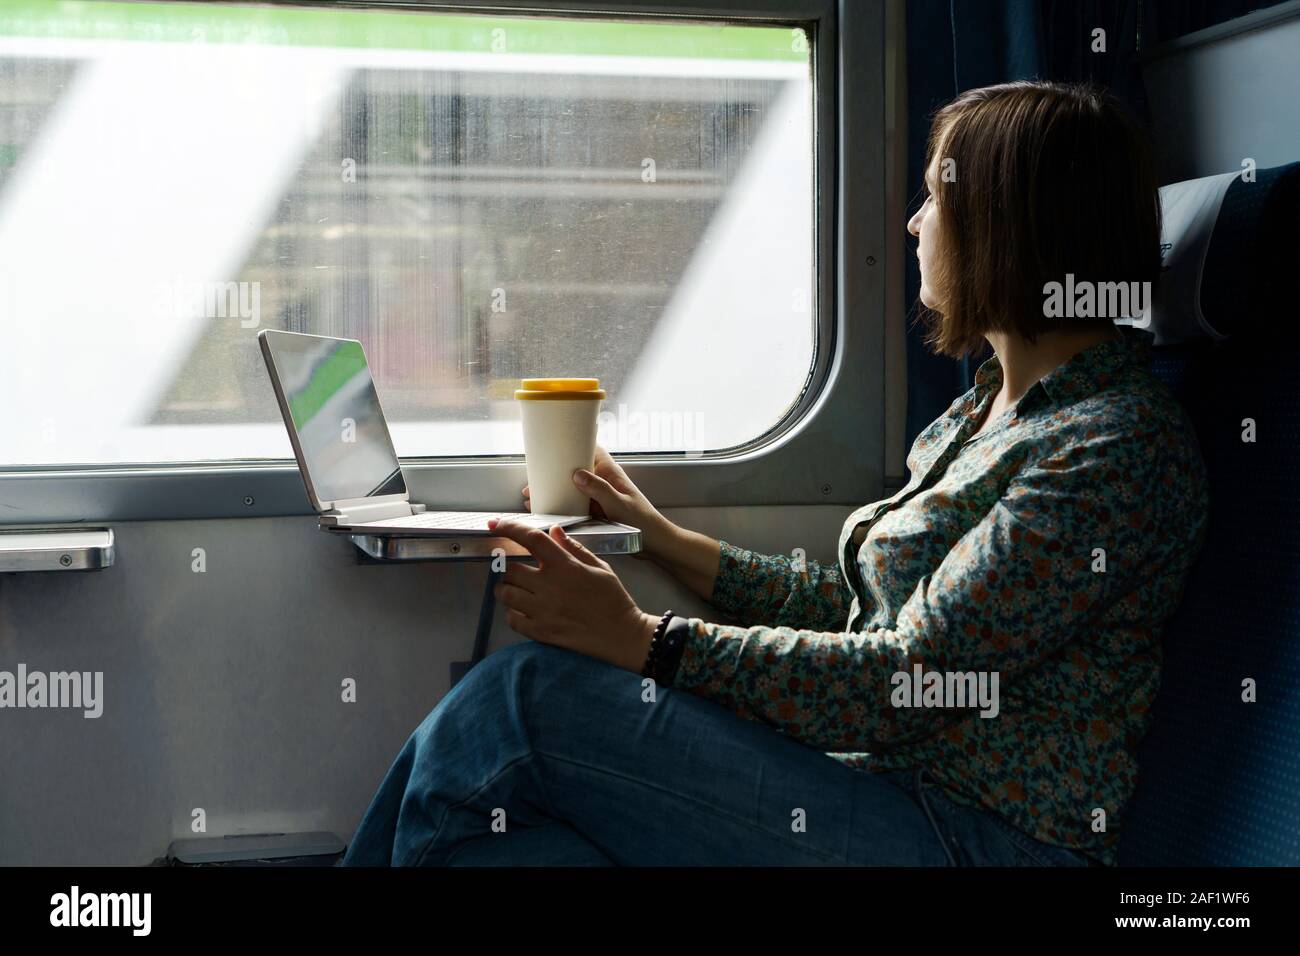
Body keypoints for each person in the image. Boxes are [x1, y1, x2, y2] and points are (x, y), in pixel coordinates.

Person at [341, 80, 1209, 867]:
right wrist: (666, 540)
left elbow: (912, 678)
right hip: (882, 788)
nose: (914, 225)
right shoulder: (983, 411)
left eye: (933, 200)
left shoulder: (1112, 448)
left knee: (518, 700)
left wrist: (646, 640)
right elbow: (863, 616)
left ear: (1008, 225)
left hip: (973, 835)